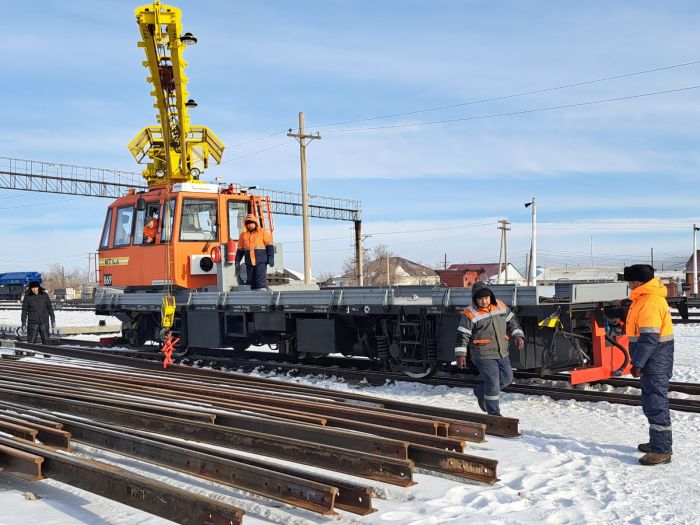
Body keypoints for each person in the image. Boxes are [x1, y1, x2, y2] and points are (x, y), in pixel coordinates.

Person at [623, 264, 674, 466]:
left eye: (629, 282)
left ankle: (661, 450)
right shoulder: (644, 299)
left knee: (655, 403)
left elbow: (649, 338)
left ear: (636, 282)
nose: (628, 285)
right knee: (652, 402)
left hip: (654, 361)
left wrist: (637, 363)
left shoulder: (649, 302)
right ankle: (657, 443)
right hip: (654, 360)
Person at [455, 281, 525, 416]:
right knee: (493, 382)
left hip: (502, 351)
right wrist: (460, 355)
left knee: (507, 378)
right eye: (480, 299)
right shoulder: (469, 313)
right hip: (483, 353)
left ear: (491, 297)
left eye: (486, 298)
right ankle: (494, 414)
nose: (484, 301)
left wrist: (518, 336)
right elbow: (463, 334)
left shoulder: (500, 305)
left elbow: (512, 322)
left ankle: (481, 392)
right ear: (475, 299)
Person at [235, 214, 274, 290]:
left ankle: (262, 294)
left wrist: (271, 257)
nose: (250, 225)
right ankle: (253, 298)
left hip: (261, 261)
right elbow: (240, 250)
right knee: (250, 280)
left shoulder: (262, 232)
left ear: (255, 223)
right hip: (249, 262)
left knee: (260, 279)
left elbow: (269, 245)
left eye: (251, 223)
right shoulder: (243, 235)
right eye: (248, 223)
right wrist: (237, 261)